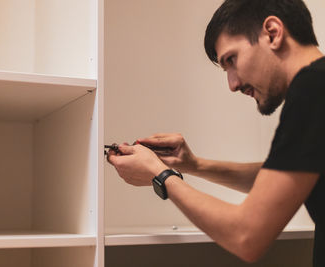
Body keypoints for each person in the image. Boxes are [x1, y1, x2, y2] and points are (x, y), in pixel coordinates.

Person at [107, 0, 324, 265]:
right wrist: (194, 165)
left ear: (272, 33)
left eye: (231, 60)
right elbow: (278, 181)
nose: (232, 84)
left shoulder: (312, 89)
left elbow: (246, 236)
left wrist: (160, 174)